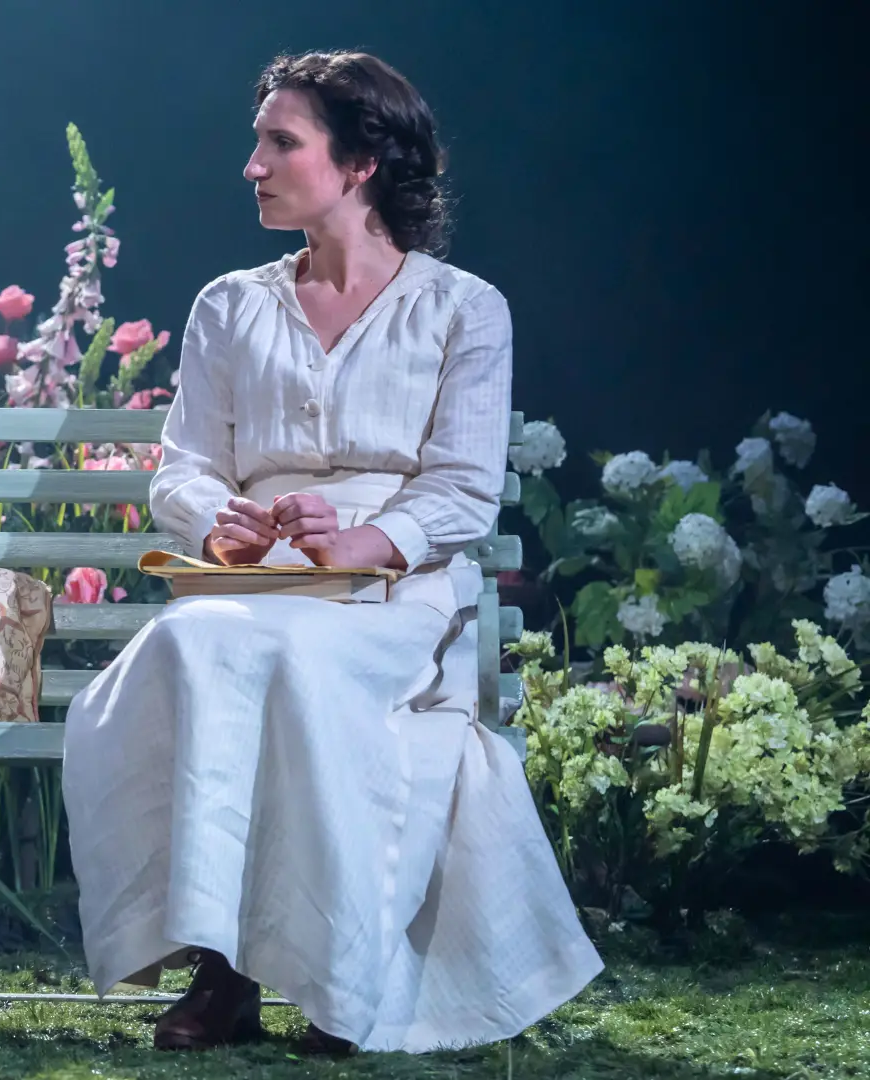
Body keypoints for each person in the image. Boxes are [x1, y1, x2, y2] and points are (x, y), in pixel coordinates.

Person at [63, 52, 601, 1054]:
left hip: (390, 591)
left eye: (281, 143)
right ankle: (221, 967)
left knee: (297, 665)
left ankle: (329, 977)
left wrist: (364, 536)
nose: (252, 166)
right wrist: (219, 516)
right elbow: (180, 467)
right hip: (248, 580)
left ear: (359, 164)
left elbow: (462, 488)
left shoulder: (461, 309)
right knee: (199, 648)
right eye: (258, 142)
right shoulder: (231, 305)